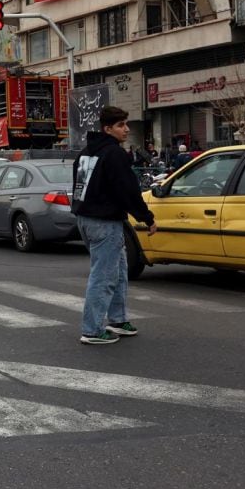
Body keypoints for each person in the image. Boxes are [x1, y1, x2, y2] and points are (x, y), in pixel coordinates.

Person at [72, 106, 158, 346]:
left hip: (86, 218)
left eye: (126, 124)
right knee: (104, 276)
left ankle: (117, 320)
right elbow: (128, 191)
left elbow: (79, 185)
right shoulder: (114, 154)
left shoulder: (86, 153)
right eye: (121, 125)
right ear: (107, 129)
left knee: (118, 272)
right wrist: (147, 218)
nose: (127, 129)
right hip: (104, 222)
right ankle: (92, 329)